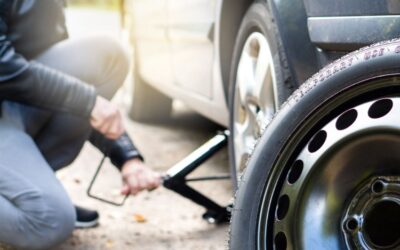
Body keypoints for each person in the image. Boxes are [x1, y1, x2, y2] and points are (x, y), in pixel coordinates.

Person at [0, 0, 162, 249]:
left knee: (106, 56)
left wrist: (127, 158)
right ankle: (28, 196)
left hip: (11, 107)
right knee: (50, 221)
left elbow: (67, 89)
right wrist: (86, 101)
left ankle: (26, 187)